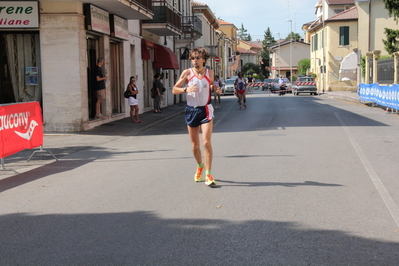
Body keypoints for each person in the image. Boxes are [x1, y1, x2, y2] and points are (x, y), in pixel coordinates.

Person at [172, 47, 222, 186]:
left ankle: (209, 174)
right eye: (193, 58)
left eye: (197, 58)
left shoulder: (209, 73)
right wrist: (185, 89)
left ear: (204, 59)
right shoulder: (187, 73)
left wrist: (216, 89)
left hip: (206, 109)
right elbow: (174, 89)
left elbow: (211, 85)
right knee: (195, 146)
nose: (195, 60)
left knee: (206, 142)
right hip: (191, 110)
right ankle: (200, 165)